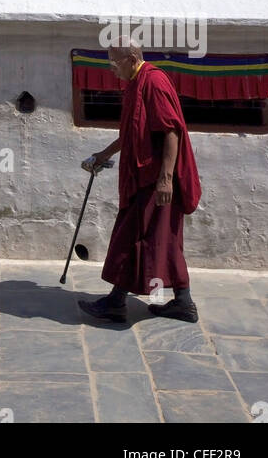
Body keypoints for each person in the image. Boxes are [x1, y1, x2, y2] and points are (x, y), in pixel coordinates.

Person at [78, 39, 201, 324]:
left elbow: (172, 132)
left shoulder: (154, 82)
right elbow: (132, 133)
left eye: (113, 62)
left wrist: (166, 179)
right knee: (163, 240)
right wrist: (103, 154)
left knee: (131, 237)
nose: (111, 69)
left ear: (132, 58)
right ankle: (183, 303)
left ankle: (116, 302)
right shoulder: (135, 84)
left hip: (155, 180)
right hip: (144, 178)